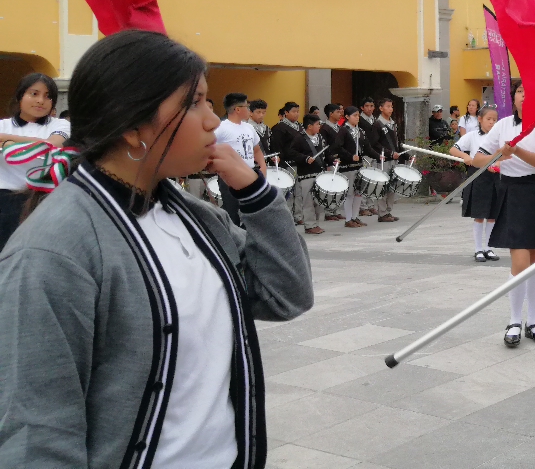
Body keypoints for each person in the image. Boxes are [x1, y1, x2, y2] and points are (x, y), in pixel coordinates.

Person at [0, 29, 312, 467]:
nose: (212, 121)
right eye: (195, 102)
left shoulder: (197, 216)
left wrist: (258, 196)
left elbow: (288, 296)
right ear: (132, 126)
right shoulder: (53, 252)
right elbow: (38, 433)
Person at [473, 79, 535, 348]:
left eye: (530, 91)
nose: (525, 96)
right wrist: (497, 157)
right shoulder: (503, 125)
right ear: (514, 98)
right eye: (521, 91)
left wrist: (516, 150)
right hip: (513, 191)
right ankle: (514, 320)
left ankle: (533, 322)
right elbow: (478, 157)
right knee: (520, 261)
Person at [0, 73, 70, 250]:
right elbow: (45, 145)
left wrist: (8, 142)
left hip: (43, 198)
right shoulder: (3, 125)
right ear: (19, 96)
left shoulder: (59, 125)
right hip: (5, 200)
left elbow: (53, 144)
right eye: (34, 94)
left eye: (48, 96)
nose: (41, 101)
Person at [451, 105, 501, 262]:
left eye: (494, 120)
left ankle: (489, 247)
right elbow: (454, 149)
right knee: (479, 215)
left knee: (493, 215)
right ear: (480, 120)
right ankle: (478, 249)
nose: (492, 122)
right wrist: (465, 157)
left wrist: (498, 165)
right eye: (488, 119)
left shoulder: (499, 137)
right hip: (478, 176)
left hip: (495, 176)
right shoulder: (472, 136)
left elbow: (504, 156)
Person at [215, 93, 269, 229]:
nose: (249, 110)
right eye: (247, 107)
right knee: (232, 212)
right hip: (230, 176)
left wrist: (263, 166)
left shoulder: (249, 128)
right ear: (237, 109)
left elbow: (256, 150)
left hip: (250, 173)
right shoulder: (221, 128)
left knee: (251, 211)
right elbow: (209, 148)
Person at [370, 98, 402, 222]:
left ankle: (388, 211)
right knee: (383, 186)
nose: (391, 109)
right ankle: (382, 213)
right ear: (381, 108)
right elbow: (375, 143)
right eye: (388, 106)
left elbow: (397, 142)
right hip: (383, 160)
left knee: (392, 186)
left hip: (394, 159)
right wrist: (389, 153)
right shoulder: (377, 124)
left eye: (392, 106)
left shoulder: (393, 123)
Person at [335, 106, 367, 228]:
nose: (357, 118)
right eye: (355, 116)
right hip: (347, 166)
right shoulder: (343, 130)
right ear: (347, 117)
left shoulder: (360, 131)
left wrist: (377, 154)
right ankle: (348, 219)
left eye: (358, 115)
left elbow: (367, 146)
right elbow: (338, 147)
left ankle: (355, 217)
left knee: (358, 192)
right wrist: (350, 156)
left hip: (358, 165)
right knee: (349, 193)